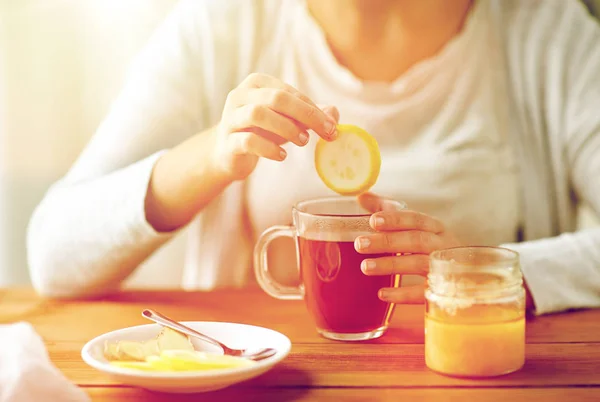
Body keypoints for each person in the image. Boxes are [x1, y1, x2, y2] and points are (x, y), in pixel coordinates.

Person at [27, 0, 600, 315]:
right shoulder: (224, 24)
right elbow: (54, 254)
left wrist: (486, 273)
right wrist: (214, 154)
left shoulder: (547, 31)